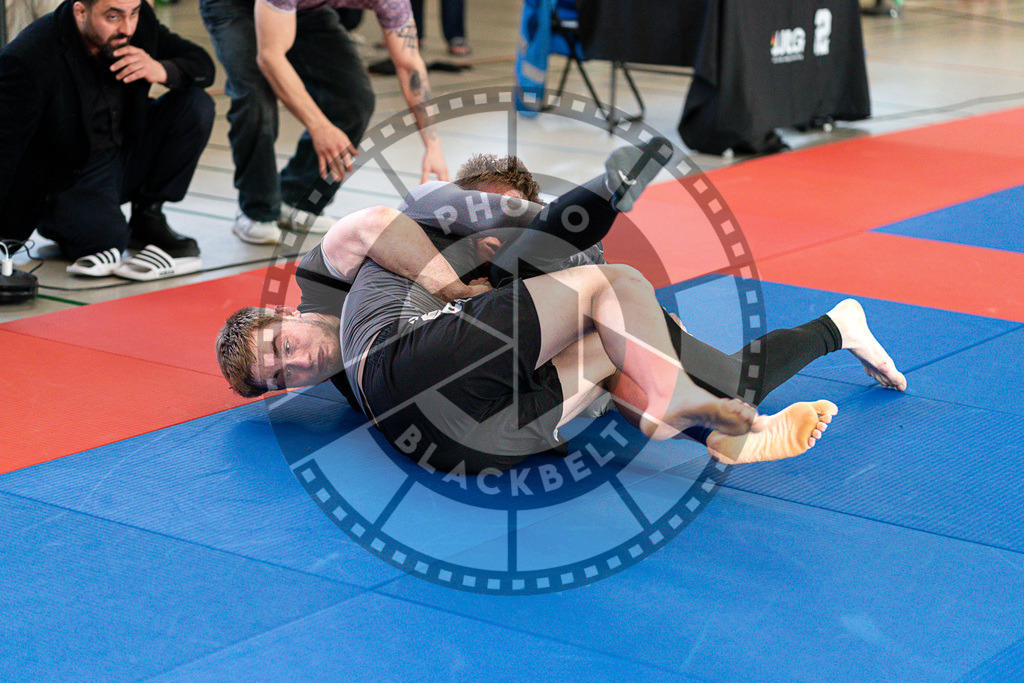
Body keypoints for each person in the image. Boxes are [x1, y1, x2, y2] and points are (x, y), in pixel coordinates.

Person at [216, 145, 905, 472]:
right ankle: (707, 417)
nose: (294, 365)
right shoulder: (360, 268)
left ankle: (834, 329)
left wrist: (669, 348)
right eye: (279, 373)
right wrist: (459, 281)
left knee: (700, 371)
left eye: (279, 351)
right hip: (425, 390)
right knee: (609, 291)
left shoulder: (530, 265)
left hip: (487, 433)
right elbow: (377, 221)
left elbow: (618, 312)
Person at [199, 0, 449, 246]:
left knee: (354, 100)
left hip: (304, 9)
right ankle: (256, 209)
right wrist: (319, 126)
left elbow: (409, 65)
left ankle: (295, 198)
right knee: (256, 99)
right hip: (232, 6)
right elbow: (270, 57)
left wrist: (433, 145)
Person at [0, 0, 215, 279]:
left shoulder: (135, 23)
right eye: (113, 17)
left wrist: (160, 69)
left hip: (125, 150)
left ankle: (148, 214)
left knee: (196, 105)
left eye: (133, 13)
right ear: (80, 11)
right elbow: (4, 151)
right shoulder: (32, 55)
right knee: (107, 245)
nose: (126, 27)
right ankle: (60, 221)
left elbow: (202, 64)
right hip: (70, 174)